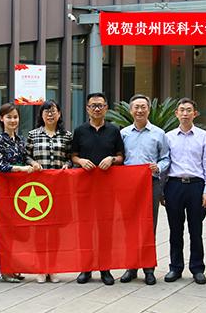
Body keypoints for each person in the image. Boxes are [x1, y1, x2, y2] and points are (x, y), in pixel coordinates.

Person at [71, 92, 124, 286]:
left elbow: (121, 157)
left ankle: (105, 269)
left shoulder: (114, 130)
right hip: (85, 188)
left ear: (106, 108)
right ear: (87, 109)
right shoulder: (80, 131)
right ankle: (85, 269)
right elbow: (73, 155)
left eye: (100, 105)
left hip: (107, 188)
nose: (97, 109)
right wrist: (80, 161)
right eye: (93, 105)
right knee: (85, 229)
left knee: (105, 229)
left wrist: (112, 159)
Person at [164, 97, 206, 285]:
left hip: (196, 186)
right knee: (175, 230)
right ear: (176, 113)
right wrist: (162, 191)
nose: (185, 113)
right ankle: (175, 267)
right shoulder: (168, 137)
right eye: (182, 110)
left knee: (196, 230)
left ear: (195, 114)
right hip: (174, 185)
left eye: (188, 110)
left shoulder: (204, 136)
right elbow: (165, 163)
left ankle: (197, 268)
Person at [119, 94, 170, 286]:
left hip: (150, 183)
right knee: (130, 227)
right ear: (131, 110)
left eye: (143, 107)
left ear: (149, 109)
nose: (140, 110)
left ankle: (149, 268)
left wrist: (159, 167)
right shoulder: (123, 133)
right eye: (136, 107)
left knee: (149, 226)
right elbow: (120, 158)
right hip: (129, 186)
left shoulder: (159, 133)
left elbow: (166, 158)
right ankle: (131, 267)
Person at [26, 100, 73, 284]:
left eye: (53, 111)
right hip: (38, 191)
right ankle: (40, 268)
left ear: (59, 114)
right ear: (41, 115)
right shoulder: (33, 134)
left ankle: (52, 267)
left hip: (59, 189)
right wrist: (33, 163)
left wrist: (67, 165)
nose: (50, 114)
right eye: (46, 111)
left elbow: (71, 157)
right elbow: (26, 155)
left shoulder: (67, 136)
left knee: (55, 231)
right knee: (39, 230)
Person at [0, 102, 35, 283]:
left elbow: (25, 157)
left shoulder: (20, 139)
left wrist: (32, 163)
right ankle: (6, 269)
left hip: (20, 191)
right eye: (9, 117)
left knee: (18, 231)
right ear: (1, 119)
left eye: (15, 117)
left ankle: (15, 266)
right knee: (6, 230)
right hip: (5, 190)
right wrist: (20, 169)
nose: (13, 120)